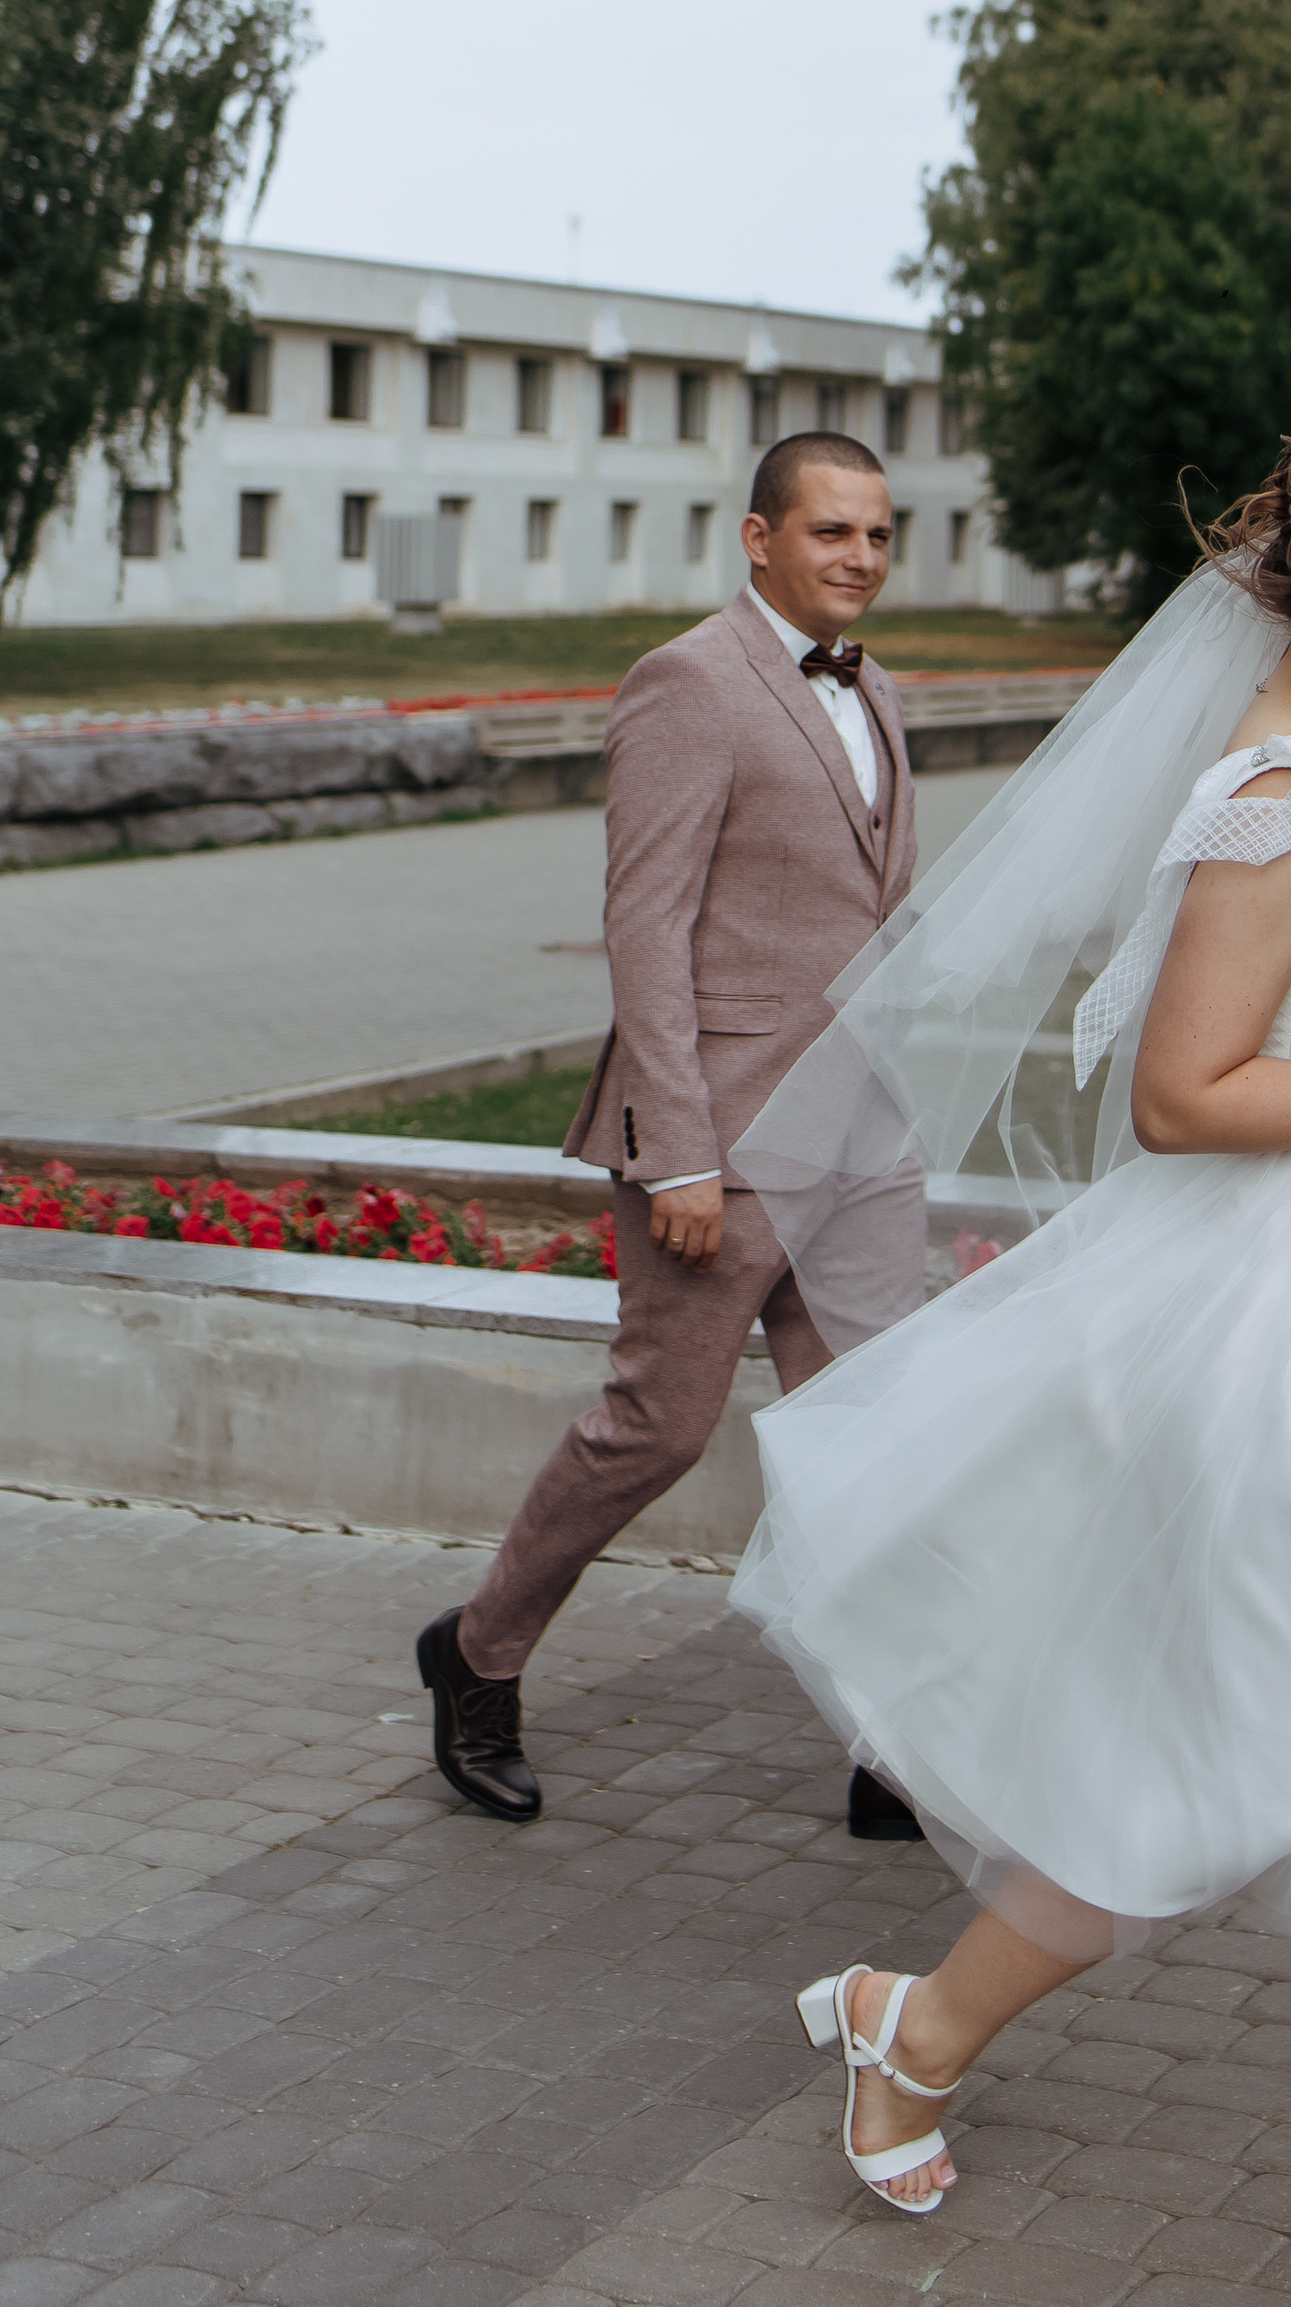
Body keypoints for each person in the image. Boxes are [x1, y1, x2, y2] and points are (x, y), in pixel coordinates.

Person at [729, 411, 1291, 2307]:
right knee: (1211, 1779)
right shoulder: (1275, 794)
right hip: (1274, 1354)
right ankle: (915, 2030)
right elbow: (1179, 1096)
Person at [417, 429, 929, 1838]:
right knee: (660, 1427)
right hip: (727, 1130)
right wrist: (680, 1152)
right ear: (760, 538)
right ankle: (476, 1654)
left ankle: (890, 1738)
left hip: (864, 1132)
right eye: (833, 533)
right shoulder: (690, 684)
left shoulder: (876, 688)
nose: (861, 559)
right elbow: (643, 929)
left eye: (880, 535)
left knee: (878, 1431)